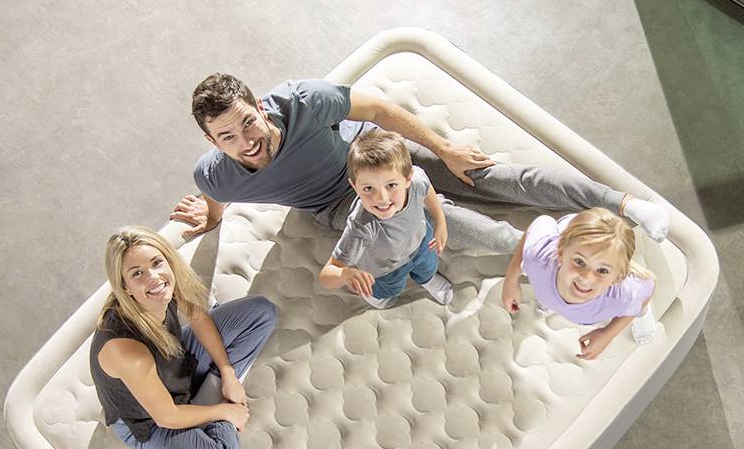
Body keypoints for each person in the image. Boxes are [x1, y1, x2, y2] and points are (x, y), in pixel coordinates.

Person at [169, 74, 669, 253]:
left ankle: (623, 203)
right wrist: (210, 219)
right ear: (213, 141)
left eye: (248, 123)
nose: (246, 142)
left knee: (493, 178)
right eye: (228, 137)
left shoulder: (304, 100)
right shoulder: (215, 171)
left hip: (373, 152)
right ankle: (544, 255)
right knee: (431, 216)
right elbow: (214, 194)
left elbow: (380, 110)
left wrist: (446, 149)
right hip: (338, 206)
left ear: (259, 106)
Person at [89, 226, 277, 449]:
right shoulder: (127, 351)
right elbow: (166, 416)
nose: (154, 277)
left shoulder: (166, 283)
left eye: (157, 263)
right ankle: (209, 405)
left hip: (176, 363)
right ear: (125, 287)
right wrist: (226, 412)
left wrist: (227, 372)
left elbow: (199, 317)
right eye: (137, 274)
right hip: (149, 419)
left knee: (262, 313)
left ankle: (208, 392)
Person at [319, 129, 453, 308]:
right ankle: (377, 297)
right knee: (388, 289)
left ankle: (427, 280)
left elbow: (427, 189)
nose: (381, 198)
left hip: (422, 242)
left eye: (391, 185)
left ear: (407, 179)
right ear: (354, 186)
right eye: (368, 188)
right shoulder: (361, 225)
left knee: (428, 267)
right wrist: (344, 274)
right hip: (386, 268)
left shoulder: (417, 179)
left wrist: (440, 220)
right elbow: (327, 275)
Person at [502, 208, 657, 360]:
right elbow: (541, 222)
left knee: (637, 306)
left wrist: (608, 334)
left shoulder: (622, 297)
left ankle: (643, 314)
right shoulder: (539, 258)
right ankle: (555, 300)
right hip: (568, 230)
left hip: (583, 246)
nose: (586, 278)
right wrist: (511, 280)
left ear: (617, 278)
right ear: (560, 254)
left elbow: (647, 291)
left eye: (602, 270)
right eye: (579, 262)